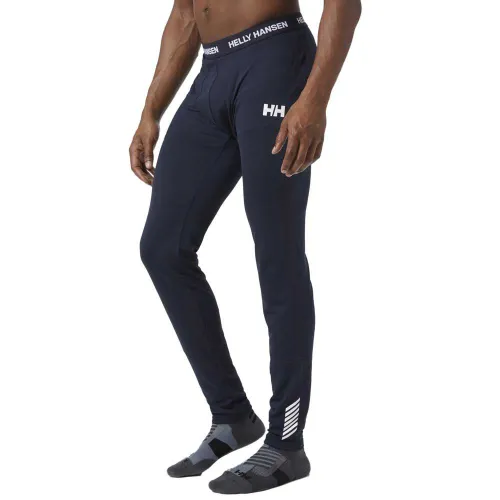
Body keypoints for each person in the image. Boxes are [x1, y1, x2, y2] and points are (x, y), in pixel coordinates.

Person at [130, 0, 361, 493]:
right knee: (163, 249)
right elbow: (185, 13)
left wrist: (315, 99)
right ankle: (233, 416)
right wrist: (151, 111)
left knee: (277, 254)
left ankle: (287, 444)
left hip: (275, 61)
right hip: (212, 70)